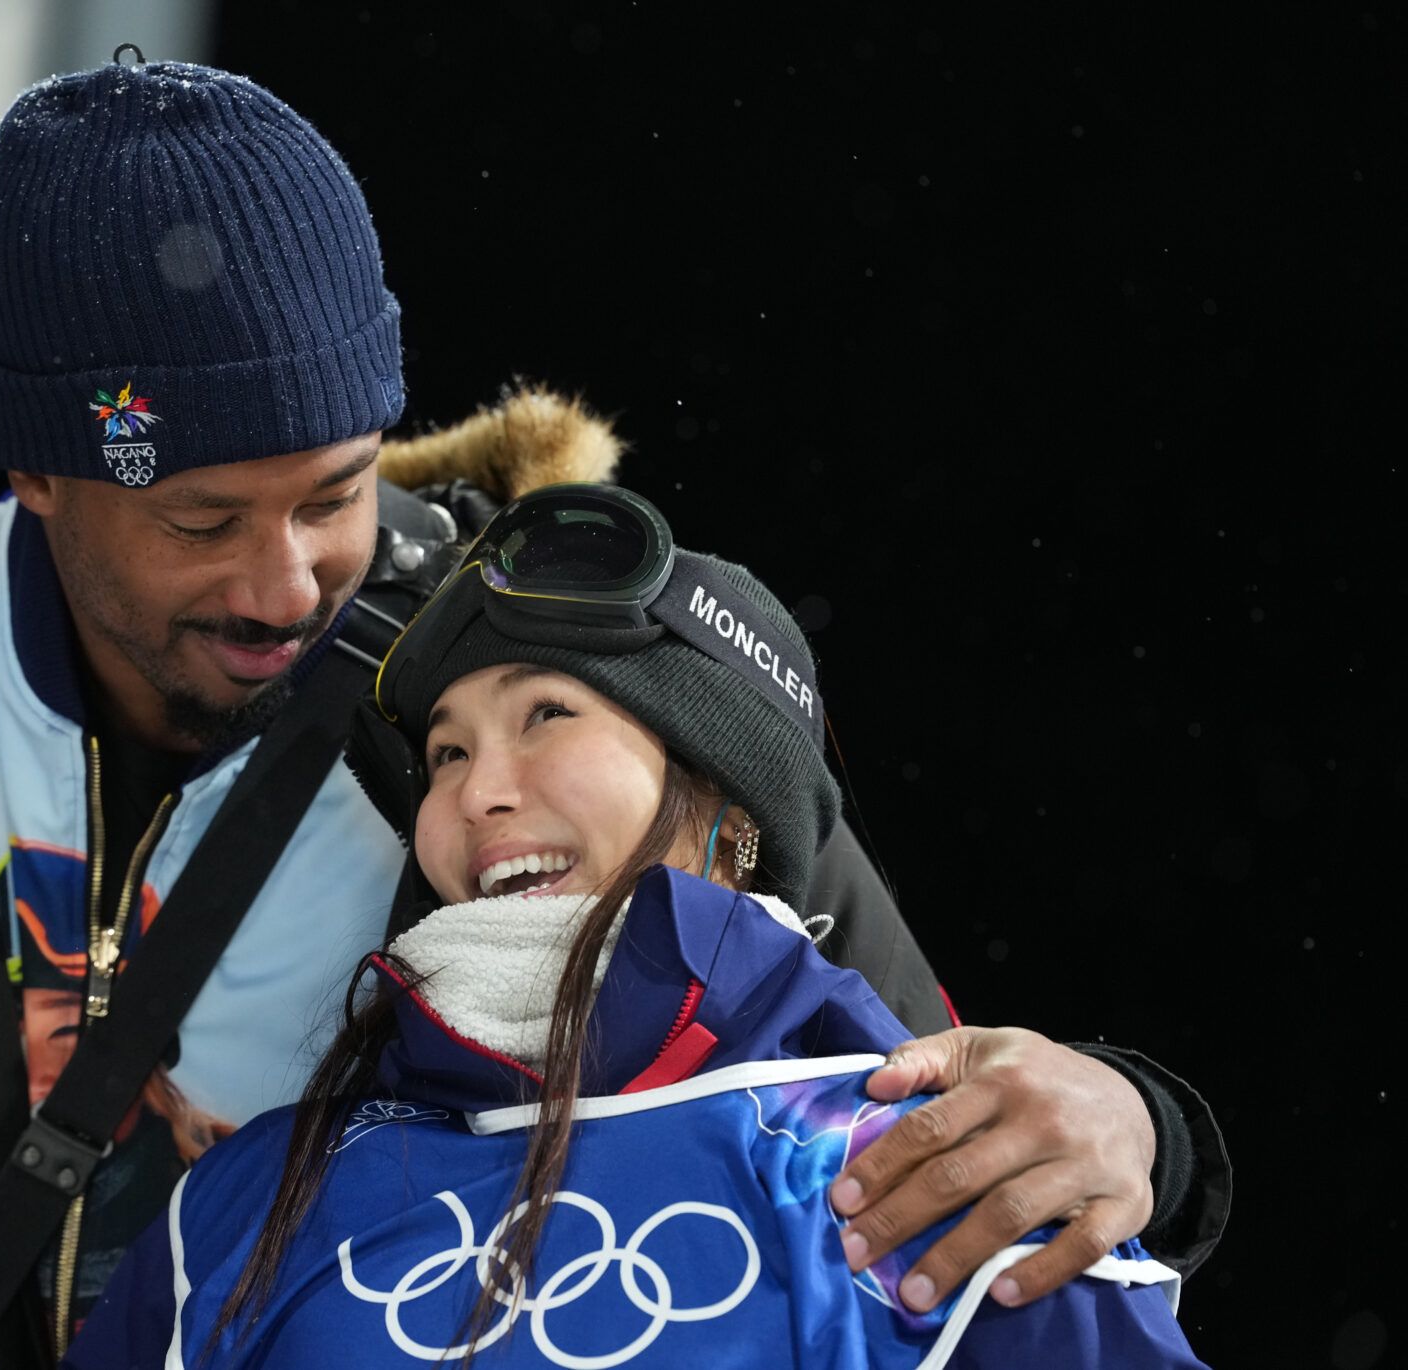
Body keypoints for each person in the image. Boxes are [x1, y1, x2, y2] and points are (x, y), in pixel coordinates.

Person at [0, 56, 1224, 1370]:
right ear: (42, 470)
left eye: (336, 491)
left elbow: (885, 1064)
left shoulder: (498, 685)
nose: (289, 581)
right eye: (204, 520)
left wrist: (1141, 1120)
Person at [62, 484, 1205, 1368]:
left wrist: (1147, 1117)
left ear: (727, 807)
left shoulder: (931, 1168)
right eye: (448, 750)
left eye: (547, 715)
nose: (472, 793)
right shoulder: (253, 1192)